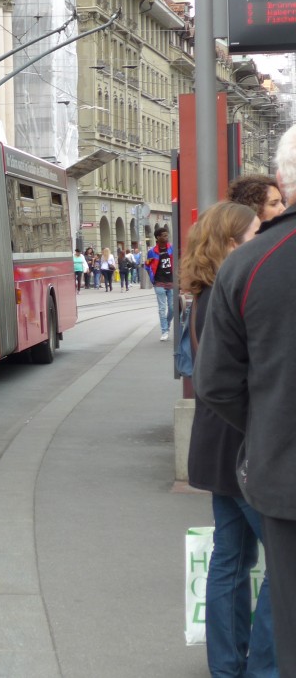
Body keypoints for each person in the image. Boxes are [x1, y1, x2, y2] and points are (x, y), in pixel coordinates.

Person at [197, 123, 296, 675]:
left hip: (279, 473)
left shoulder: (249, 266)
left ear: (285, 178)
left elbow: (214, 382)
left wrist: (267, 427)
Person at [182, 201, 274, 677]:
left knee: (231, 558)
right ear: (232, 242)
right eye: (259, 230)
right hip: (242, 447)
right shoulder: (233, 290)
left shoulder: (205, 291)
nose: (266, 236)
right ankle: (261, 667)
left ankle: (226, 667)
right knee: (280, 566)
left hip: (216, 445)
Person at [145, 226, 174, 340]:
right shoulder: (152, 252)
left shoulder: (171, 248)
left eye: (167, 235)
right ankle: (164, 331)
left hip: (171, 282)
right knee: (162, 309)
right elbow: (147, 265)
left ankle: (166, 325)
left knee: (172, 308)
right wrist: (153, 278)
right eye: (164, 235)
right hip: (159, 283)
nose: (167, 237)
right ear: (158, 237)